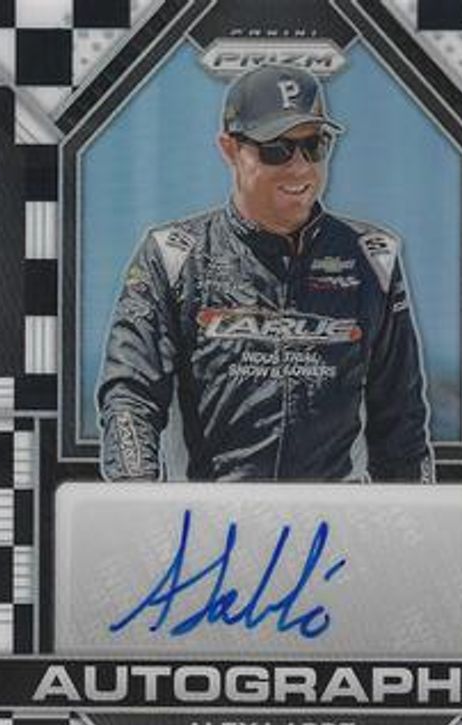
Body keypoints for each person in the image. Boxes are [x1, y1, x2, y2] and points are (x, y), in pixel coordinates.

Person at [97, 64, 434, 482]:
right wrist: (137, 499)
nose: (300, 168)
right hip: (209, 517)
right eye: (276, 149)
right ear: (229, 149)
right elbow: (130, 399)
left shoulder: (372, 258)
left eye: (314, 145)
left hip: (335, 518)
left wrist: (413, 519)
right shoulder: (173, 256)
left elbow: (402, 424)